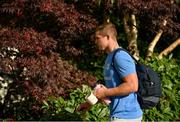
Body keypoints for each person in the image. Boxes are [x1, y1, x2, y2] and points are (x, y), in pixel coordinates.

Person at [77, 22, 143, 121]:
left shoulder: (120, 56)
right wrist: (90, 102)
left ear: (107, 37)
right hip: (119, 115)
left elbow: (132, 85)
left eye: (97, 38)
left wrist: (105, 92)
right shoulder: (110, 56)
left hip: (126, 116)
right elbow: (113, 89)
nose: (95, 41)